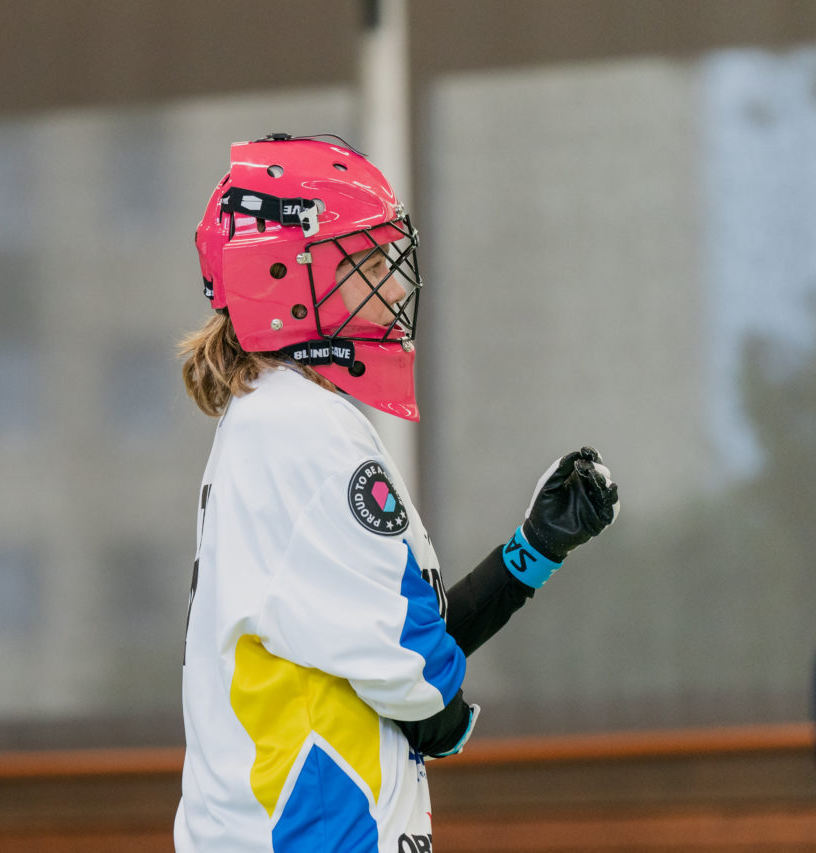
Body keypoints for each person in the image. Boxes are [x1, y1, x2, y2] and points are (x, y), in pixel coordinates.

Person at [174, 133, 620, 852]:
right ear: (288, 272)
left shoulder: (266, 421)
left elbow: (397, 631)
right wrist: (443, 712)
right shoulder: (308, 432)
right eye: (369, 259)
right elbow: (419, 677)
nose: (394, 283)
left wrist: (533, 551)